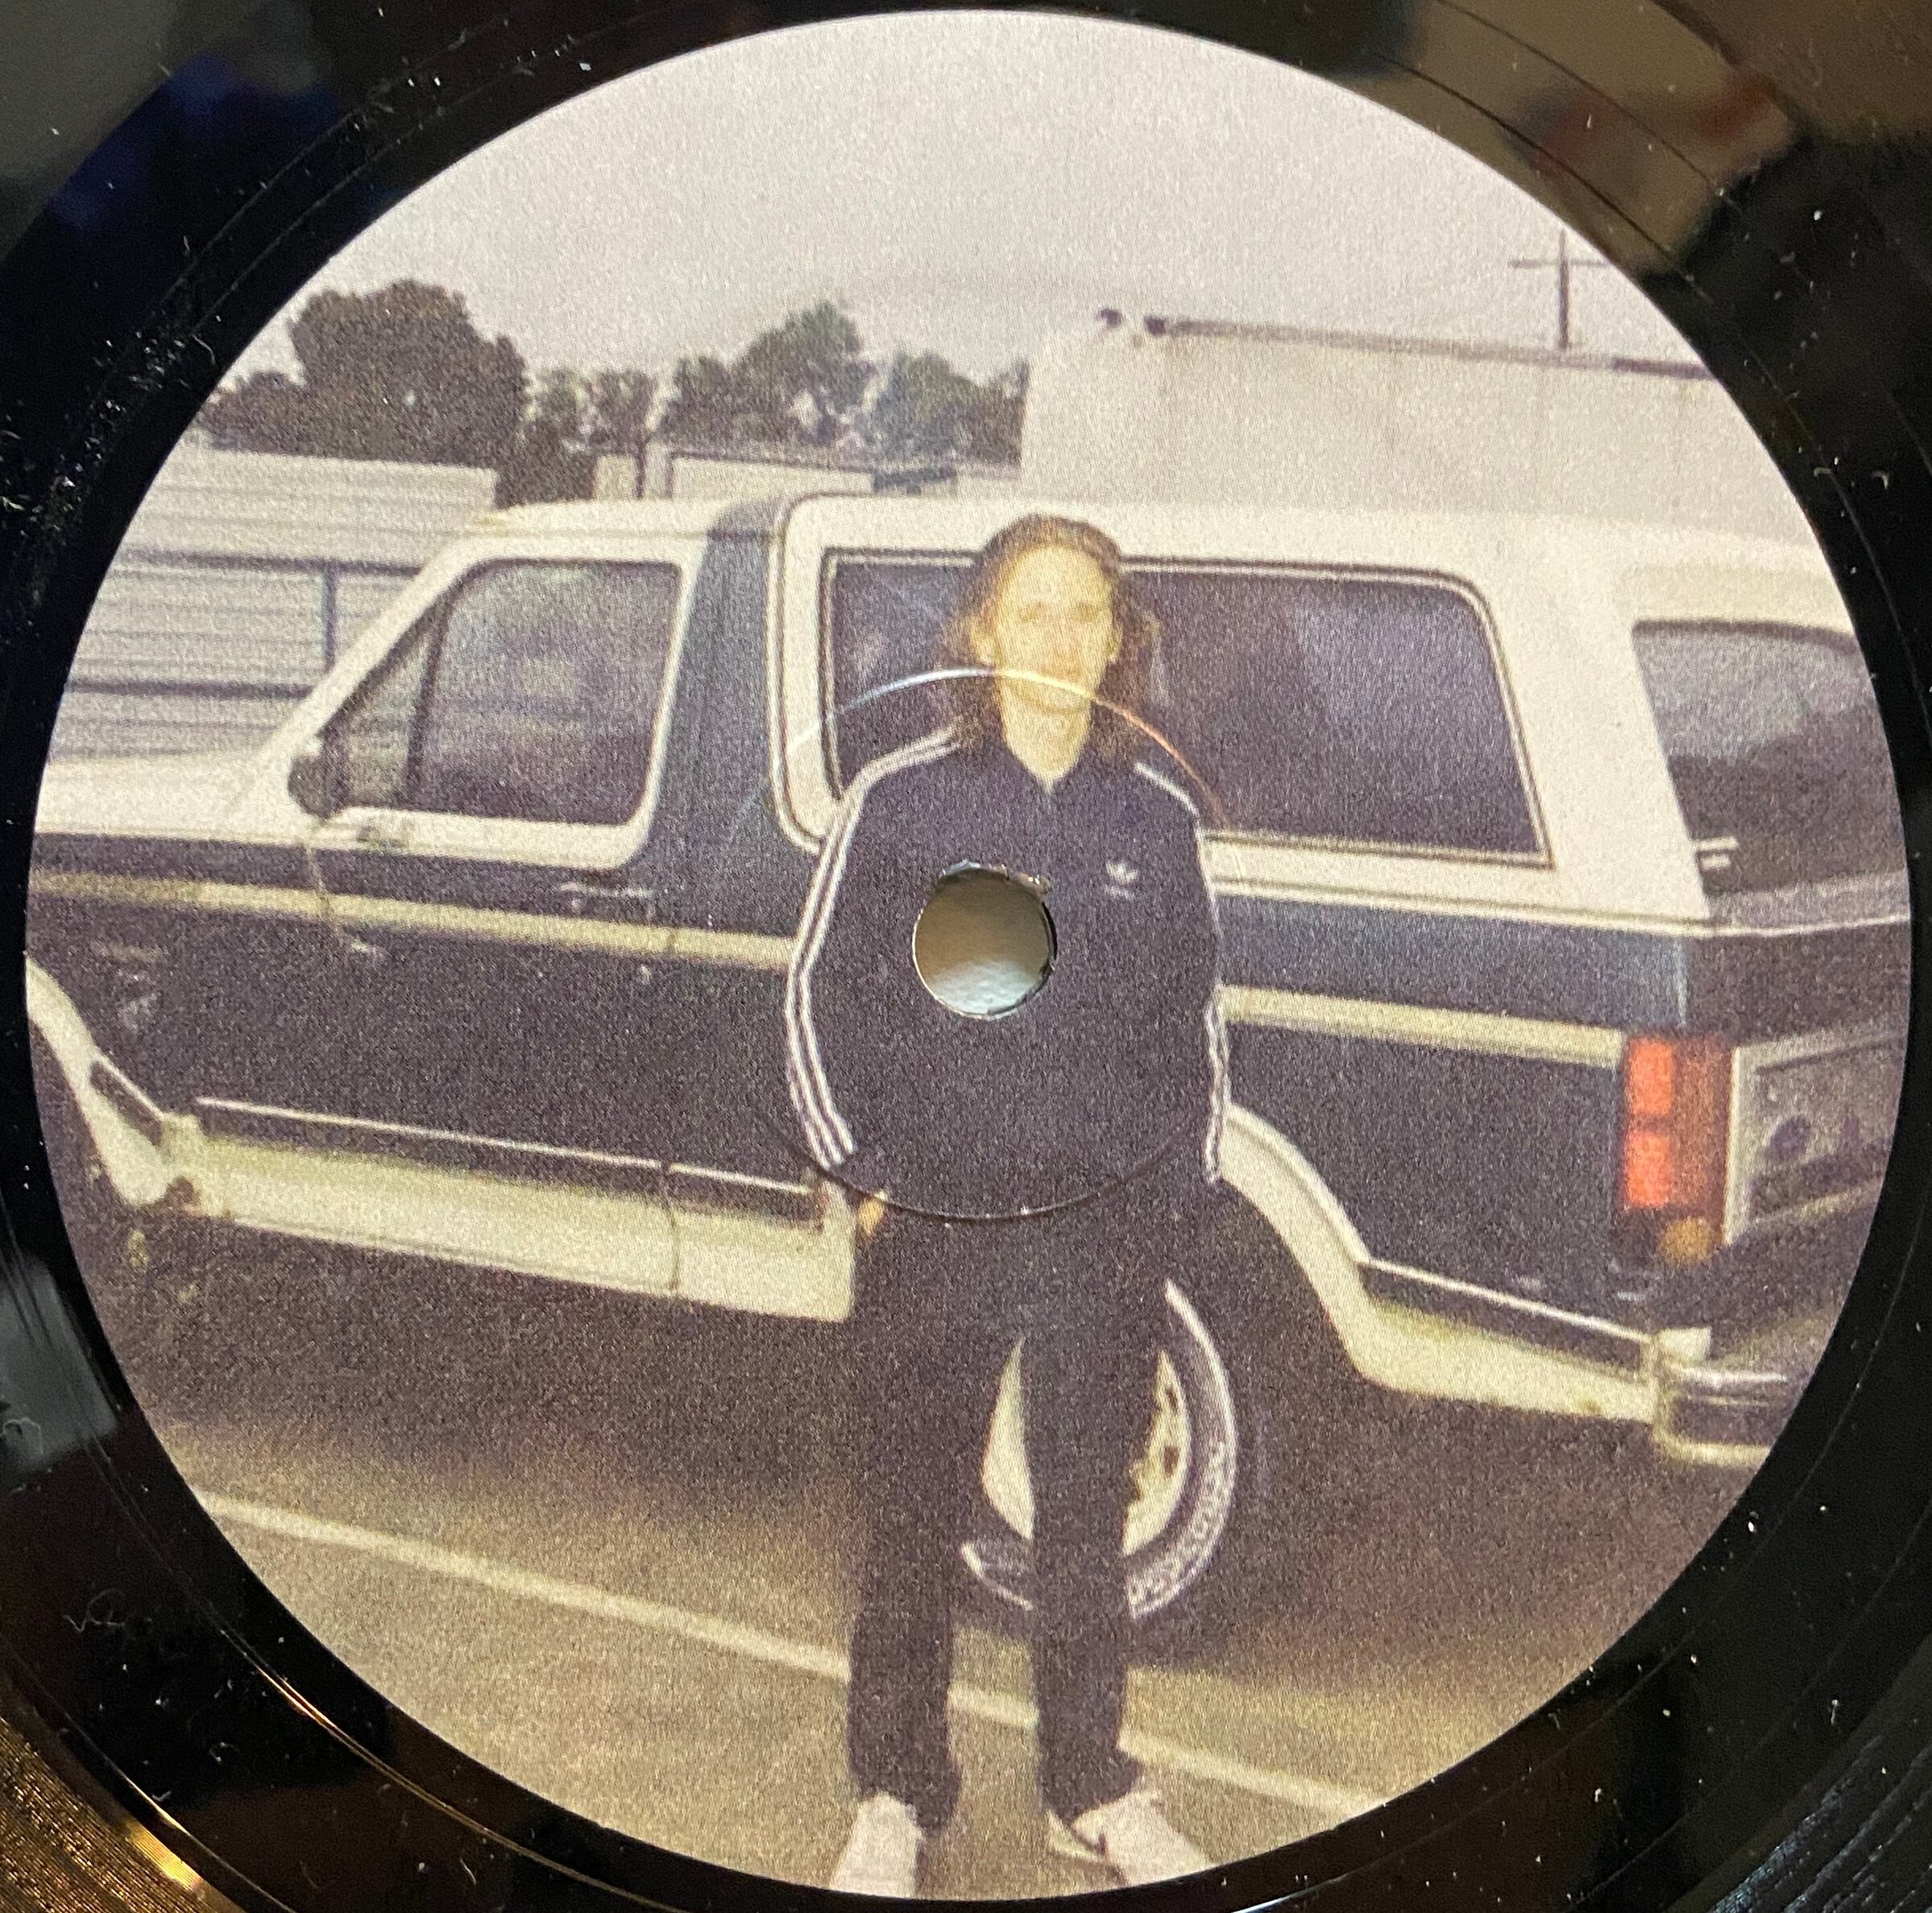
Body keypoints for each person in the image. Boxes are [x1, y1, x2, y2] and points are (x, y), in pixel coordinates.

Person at [785, 515, 1225, 1895]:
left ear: (1117, 639)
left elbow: (1194, 1033)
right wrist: (864, 1176)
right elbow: (816, 998)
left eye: (1084, 613)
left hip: (1100, 1236)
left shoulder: (1155, 820)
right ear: (981, 631)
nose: (1058, 639)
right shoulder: (903, 801)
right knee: (913, 1513)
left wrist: (1164, 1204)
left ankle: (1086, 1785)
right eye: (1032, 611)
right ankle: (895, 1794)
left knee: (1084, 1522)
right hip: (938, 1222)